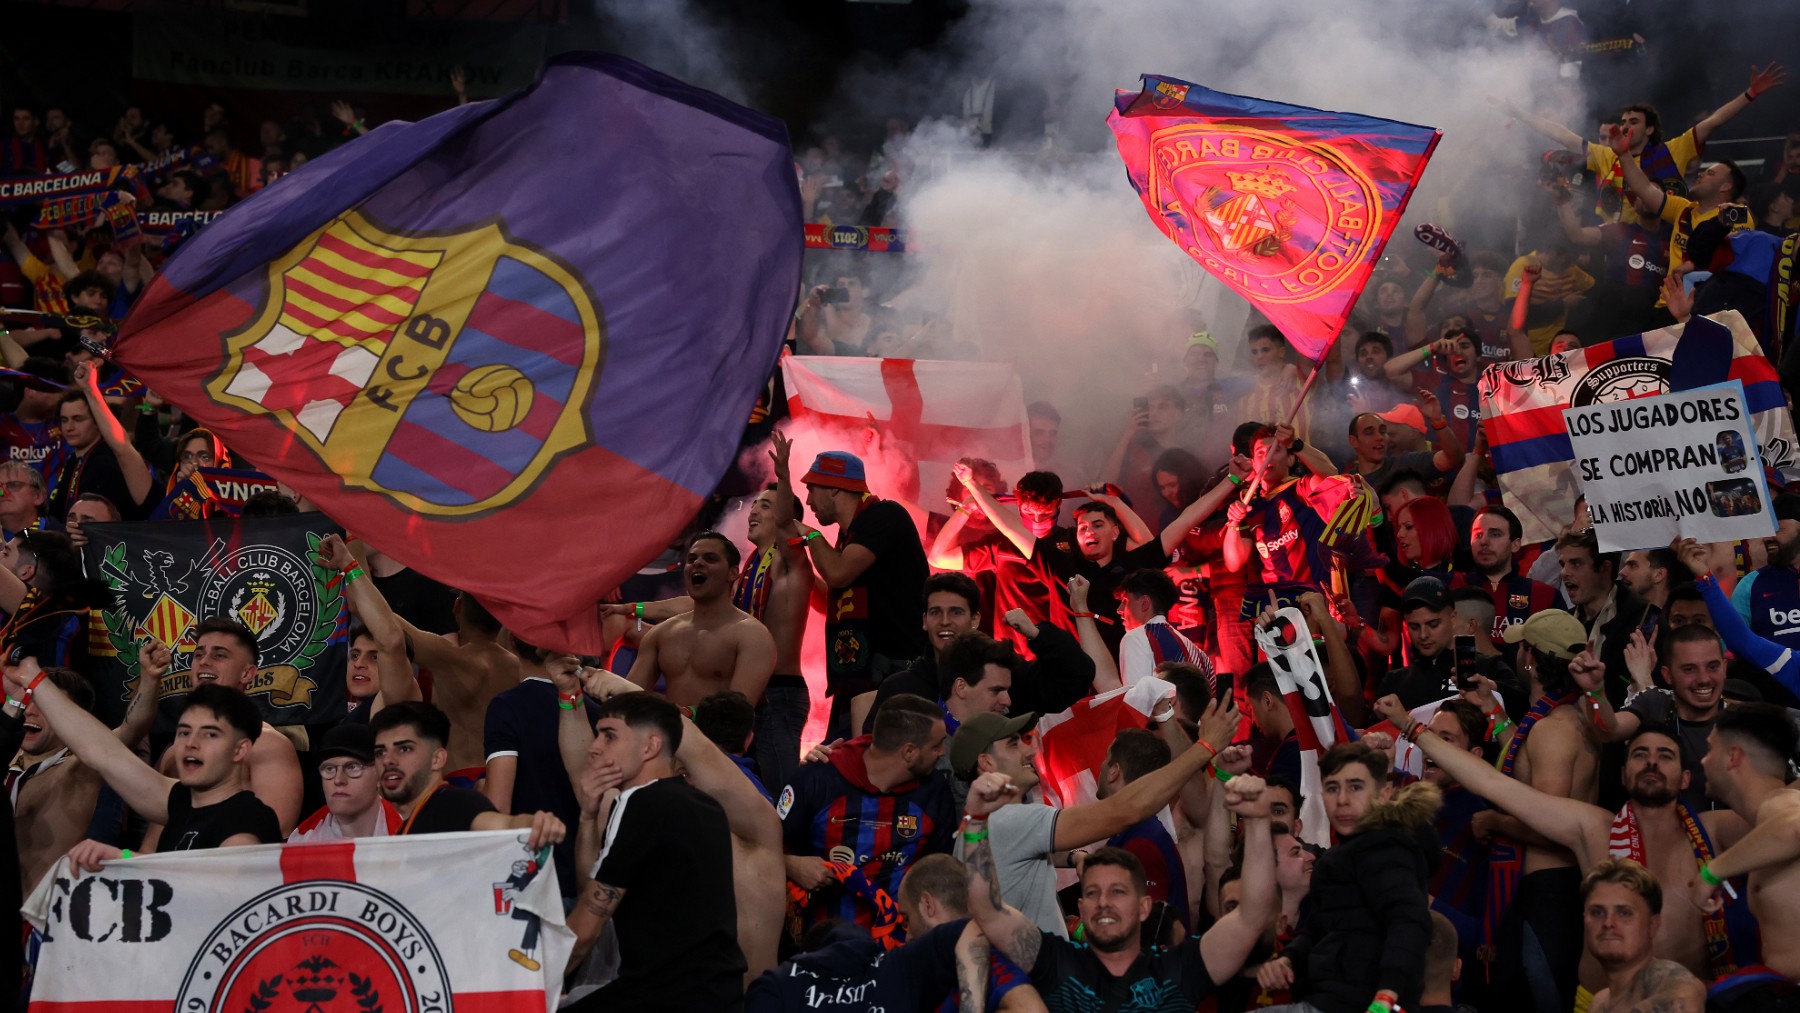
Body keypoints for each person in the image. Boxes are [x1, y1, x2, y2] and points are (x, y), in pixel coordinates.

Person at [1390, 704, 1753, 982]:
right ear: (1624, 774)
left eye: (1666, 756)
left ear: (1686, 777)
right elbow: (1494, 785)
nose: (1652, 763)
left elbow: (1787, 814)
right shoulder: (1595, 828)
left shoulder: (1715, 830)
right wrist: (1412, 728)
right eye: (1640, 754)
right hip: (1603, 1001)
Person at [964, 766, 1278, 1013]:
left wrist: (1260, 820)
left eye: (1117, 891)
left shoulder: (1179, 970)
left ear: (1144, 906)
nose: (1103, 902)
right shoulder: (1057, 962)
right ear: (1082, 909)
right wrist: (977, 821)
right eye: (1092, 893)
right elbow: (987, 910)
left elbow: (1252, 916)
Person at [949, 698, 1238, 935]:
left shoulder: (983, 825)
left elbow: (1034, 852)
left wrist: (1074, 857)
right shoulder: (1007, 821)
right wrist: (1206, 746)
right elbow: (1126, 809)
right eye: (1013, 744)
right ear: (986, 763)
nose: (1028, 750)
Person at [562, 692, 745, 1011]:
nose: (594, 747)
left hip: (663, 997)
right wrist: (588, 815)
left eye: (609, 736)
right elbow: (590, 886)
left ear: (650, 746)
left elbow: (587, 928)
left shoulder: (638, 803)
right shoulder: (705, 806)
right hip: (719, 997)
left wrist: (524, 984)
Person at [14, 665, 283, 866]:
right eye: (184, 732)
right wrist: (33, 678)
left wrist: (127, 859)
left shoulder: (250, 819)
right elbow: (101, 752)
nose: (191, 743)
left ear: (240, 749)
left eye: (210, 734)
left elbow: (217, 895)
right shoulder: (179, 801)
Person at [1254, 742, 1438, 1013]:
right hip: (1325, 1000)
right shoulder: (1336, 859)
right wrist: (1288, 960)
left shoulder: (1387, 848)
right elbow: (1321, 931)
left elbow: (1408, 921)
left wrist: (1387, 996)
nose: (1341, 800)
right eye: (1332, 788)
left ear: (1383, 795)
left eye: (1355, 787)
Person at [779, 692, 955, 940]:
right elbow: (762, 847)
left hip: (900, 946)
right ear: (909, 752)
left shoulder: (934, 790)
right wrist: (793, 865)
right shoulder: (818, 780)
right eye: (936, 746)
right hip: (824, 946)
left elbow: (940, 869)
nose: (942, 753)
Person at [795, 450, 930, 738]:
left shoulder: (885, 515)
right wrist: (799, 565)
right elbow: (830, 601)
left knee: (878, 769)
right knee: (847, 768)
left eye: (811, 489)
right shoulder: (851, 537)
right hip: (860, 676)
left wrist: (809, 535)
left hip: (894, 675)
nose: (808, 501)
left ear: (833, 487)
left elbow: (838, 573)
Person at [861, 577, 1096, 735]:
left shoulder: (1006, 676)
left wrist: (1037, 634)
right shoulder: (900, 688)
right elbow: (874, 752)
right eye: (935, 612)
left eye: (956, 612)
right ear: (924, 621)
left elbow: (1076, 677)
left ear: (975, 620)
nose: (944, 621)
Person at [7, 654, 159, 894]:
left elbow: (133, 728)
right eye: (29, 701)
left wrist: (150, 679)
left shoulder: (78, 770)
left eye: (43, 705)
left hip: (38, 919)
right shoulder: (7, 753)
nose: (30, 712)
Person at [1687, 704, 1800, 989]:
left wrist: (1712, 872)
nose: (1703, 761)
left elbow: (1795, 827)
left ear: (1733, 756)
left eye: (1710, 749)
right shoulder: (1767, 825)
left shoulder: (1780, 804)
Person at [369, 701, 566, 850]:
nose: (388, 760)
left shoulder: (454, 804)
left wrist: (535, 824)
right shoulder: (412, 822)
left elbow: (506, 826)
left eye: (404, 749)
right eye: (380, 752)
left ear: (437, 759)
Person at [623, 531, 777, 708]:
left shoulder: (752, 636)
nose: (697, 563)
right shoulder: (662, 634)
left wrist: (683, 714)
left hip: (715, 735)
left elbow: (737, 715)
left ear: (733, 573)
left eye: (710, 558)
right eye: (691, 559)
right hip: (668, 733)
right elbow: (628, 702)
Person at [1584, 625, 1730, 806]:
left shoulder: (1743, 721)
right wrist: (1594, 691)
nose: (1703, 679)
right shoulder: (1654, 702)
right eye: (1689, 669)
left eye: (1712, 667)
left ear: (1724, 668)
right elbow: (1609, 730)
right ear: (1667, 675)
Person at [1378, 576, 1521, 711]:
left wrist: (1493, 689)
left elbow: (1521, 711)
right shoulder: (1394, 681)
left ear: (1453, 618)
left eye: (1433, 624)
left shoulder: (1488, 668)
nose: (1423, 635)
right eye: (1414, 627)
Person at [1583, 859, 1708, 1013]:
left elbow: (1684, 1002)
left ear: (1652, 925)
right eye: (1597, 912)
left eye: (1624, 913)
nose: (1608, 923)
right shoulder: (1599, 1002)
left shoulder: (1662, 974)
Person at [45, 362, 154, 521]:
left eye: (78, 419)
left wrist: (90, 389)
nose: (69, 427)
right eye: (64, 420)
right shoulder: (74, 459)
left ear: (97, 422)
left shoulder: (107, 462)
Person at [1458, 505, 1559, 646]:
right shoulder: (1453, 588)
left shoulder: (1544, 596)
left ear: (1515, 545)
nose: (1484, 542)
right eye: (1478, 534)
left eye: (1495, 534)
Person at [288, 723, 403, 842]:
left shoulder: (411, 832)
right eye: (329, 769)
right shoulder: (301, 840)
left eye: (352, 767)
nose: (338, 780)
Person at [1116, 568, 1214, 688]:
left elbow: (1135, 703)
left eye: (1125, 601)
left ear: (1144, 603)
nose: (1119, 610)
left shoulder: (1135, 639)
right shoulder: (1201, 655)